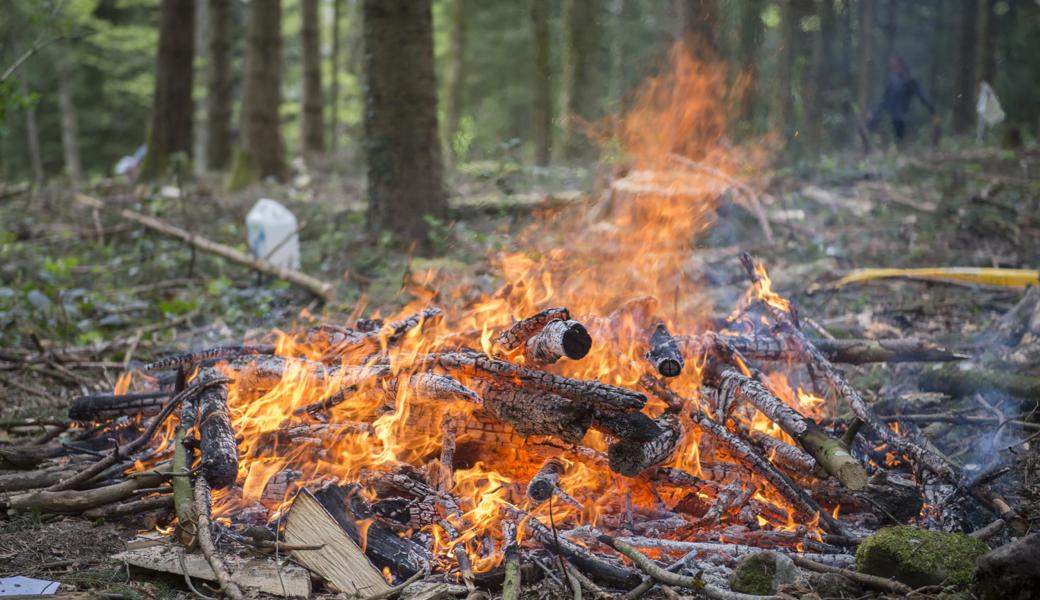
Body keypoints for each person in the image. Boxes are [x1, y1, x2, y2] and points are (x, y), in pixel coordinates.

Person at [867, 55, 940, 146]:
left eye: (895, 65)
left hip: (904, 117)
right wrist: (874, 113)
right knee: (892, 138)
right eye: (892, 65)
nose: (893, 67)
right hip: (892, 116)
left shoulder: (909, 80)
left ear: (901, 65)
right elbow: (884, 100)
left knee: (900, 139)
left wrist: (933, 110)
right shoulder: (892, 80)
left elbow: (922, 96)